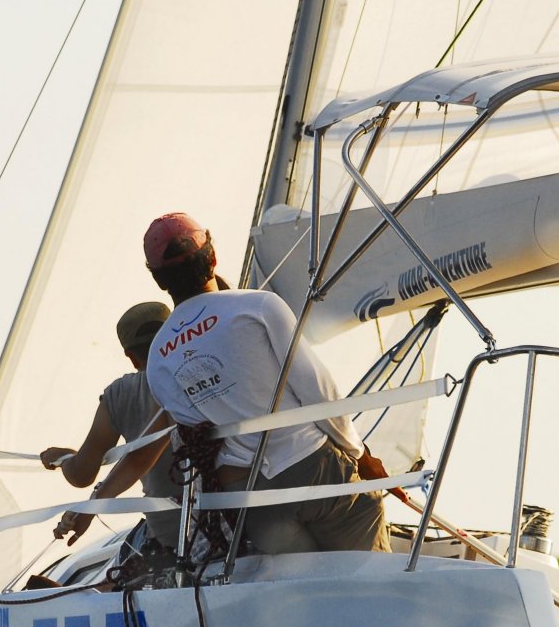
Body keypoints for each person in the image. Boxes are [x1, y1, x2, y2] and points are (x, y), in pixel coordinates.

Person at [130, 211, 390, 555]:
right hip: (312, 467)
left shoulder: (159, 357)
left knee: (302, 592)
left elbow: (196, 433)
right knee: (369, 575)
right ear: (213, 258)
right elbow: (317, 389)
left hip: (252, 498)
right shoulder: (256, 305)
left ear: (159, 280)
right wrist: (360, 454)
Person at [38, 301, 182, 548]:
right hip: (237, 521)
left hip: (171, 536)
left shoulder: (120, 394)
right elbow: (146, 451)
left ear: (131, 357)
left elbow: (82, 474)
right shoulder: (202, 369)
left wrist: (63, 458)